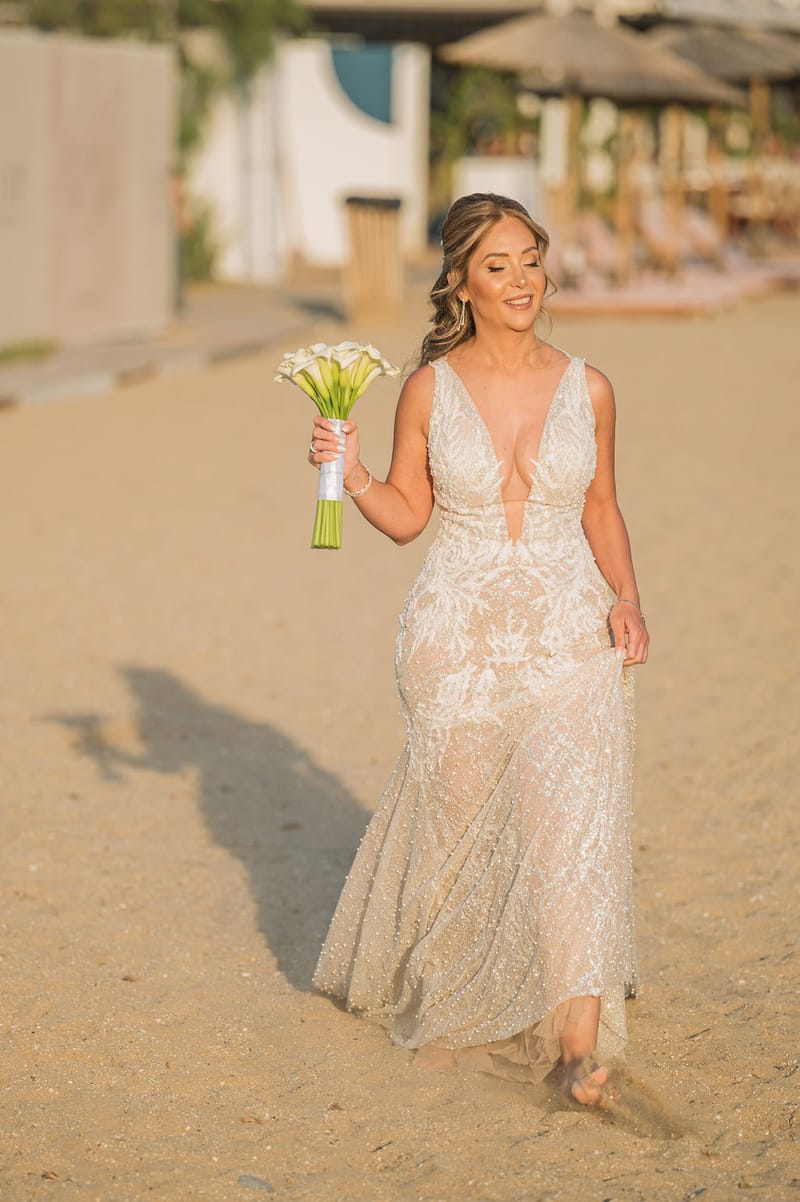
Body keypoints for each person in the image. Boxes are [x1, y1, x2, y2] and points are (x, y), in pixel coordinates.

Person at [308, 193, 649, 1109]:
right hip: (453, 636)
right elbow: (407, 519)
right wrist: (349, 472)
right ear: (460, 280)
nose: (522, 281)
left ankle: (576, 1050)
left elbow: (601, 508)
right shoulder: (428, 388)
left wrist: (628, 600)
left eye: (531, 260)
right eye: (498, 266)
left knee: (569, 832)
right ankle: (455, 1015)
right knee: (455, 829)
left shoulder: (591, 387)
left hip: (568, 631)